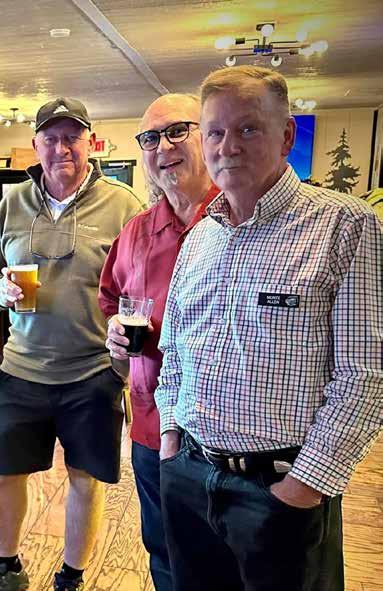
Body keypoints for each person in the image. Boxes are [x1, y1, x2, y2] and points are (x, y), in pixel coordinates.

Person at [155, 65, 382, 591]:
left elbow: (365, 375)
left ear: (286, 135)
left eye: (248, 128)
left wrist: (305, 485)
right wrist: (170, 441)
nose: (228, 146)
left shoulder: (345, 225)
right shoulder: (201, 237)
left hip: (281, 488)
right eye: (215, 132)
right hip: (189, 475)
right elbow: (176, 352)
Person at [0, 97, 144, 591]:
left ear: (91, 143)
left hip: (92, 371)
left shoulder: (123, 204)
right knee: (5, 472)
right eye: (50, 138)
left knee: (83, 478)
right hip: (21, 367)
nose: (61, 148)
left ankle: (71, 577)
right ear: (36, 145)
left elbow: (143, 280)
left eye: (72, 137)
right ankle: (6, 568)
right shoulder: (13, 203)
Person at [98, 93, 218, 591]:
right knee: (166, 554)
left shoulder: (241, 221)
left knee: (232, 566)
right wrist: (115, 330)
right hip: (152, 425)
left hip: (228, 435)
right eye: (150, 138)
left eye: (176, 131)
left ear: (208, 136)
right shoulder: (136, 232)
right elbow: (110, 297)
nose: (163, 147)